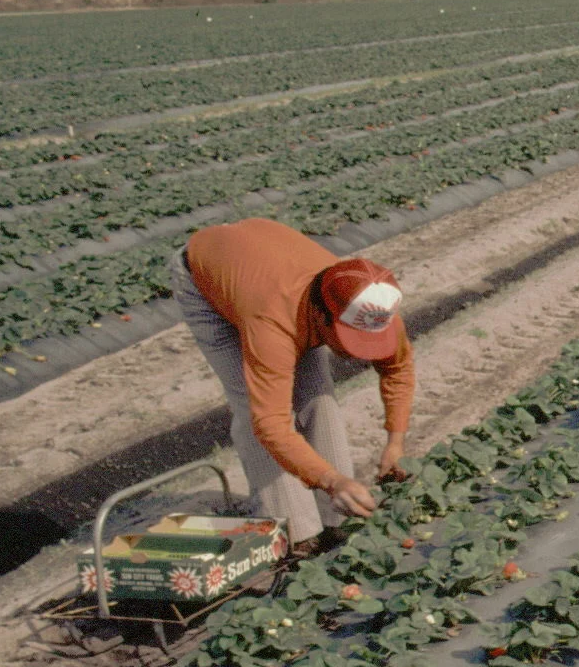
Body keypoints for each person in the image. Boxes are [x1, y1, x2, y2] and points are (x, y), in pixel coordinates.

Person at [172, 218, 414, 549]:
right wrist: (331, 480)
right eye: (351, 340)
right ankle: (295, 533)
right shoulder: (272, 324)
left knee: (318, 398)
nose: (358, 352)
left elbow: (397, 368)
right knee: (255, 406)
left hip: (267, 263)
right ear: (322, 317)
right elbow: (270, 423)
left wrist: (396, 443)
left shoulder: (372, 302)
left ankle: (338, 518)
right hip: (207, 278)